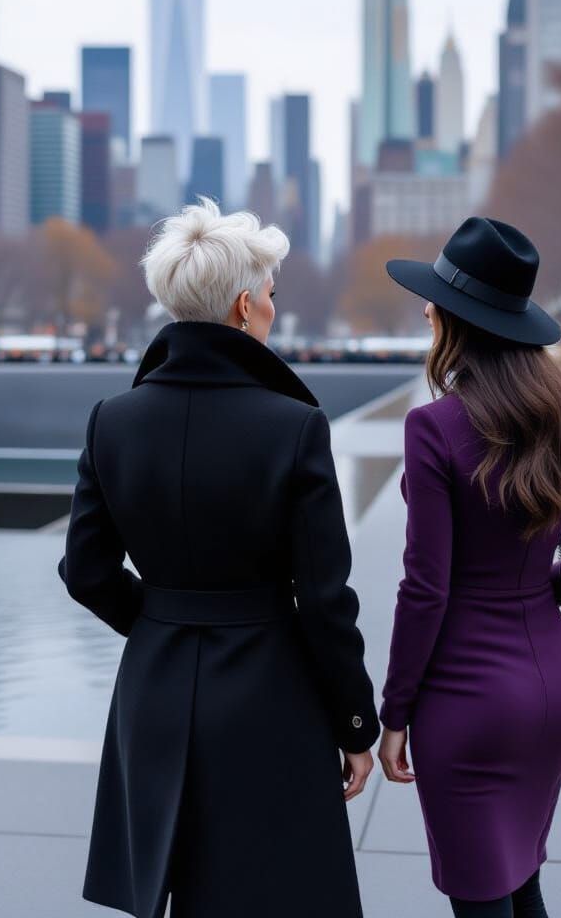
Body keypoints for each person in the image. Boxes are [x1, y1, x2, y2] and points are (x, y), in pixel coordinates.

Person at [58, 198, 380, 918]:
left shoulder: (112, 420)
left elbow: (85, 573)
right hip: (269, 692)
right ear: (243, 305)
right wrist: (356, 724)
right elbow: (324, 600)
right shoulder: (294, 426)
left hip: (154, 690)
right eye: (270, 294)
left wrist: (162, 620)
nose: (273, 308)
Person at [378, 217, 561, 917]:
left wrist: (394, 712)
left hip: (466, 700)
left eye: (434, 303)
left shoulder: (434, 427)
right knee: (521, 877)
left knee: (483, 894)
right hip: (553, 692)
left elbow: (426, 588)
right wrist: (530, 597)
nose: (426, 312)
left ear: (457, 321)